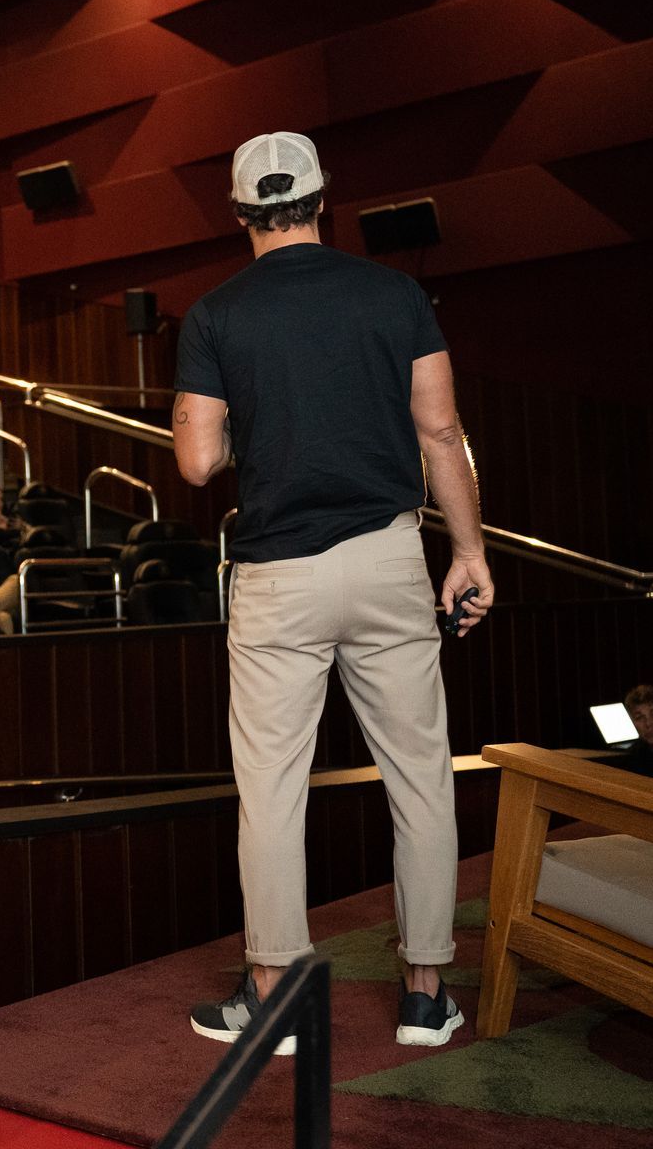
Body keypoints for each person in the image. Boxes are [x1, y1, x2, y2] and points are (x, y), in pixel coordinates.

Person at [174, 131, 490, 1053]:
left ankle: (275, 1001)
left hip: (279, 576)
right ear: (322, 200)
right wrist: (468, 552)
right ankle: (425, 994)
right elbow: (442, 435)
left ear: (241, 213)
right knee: (420, 776)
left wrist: (257, 425)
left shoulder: (215, 314)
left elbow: (197, 460)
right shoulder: (395, 295)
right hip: (390, 560)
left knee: (272, 790)